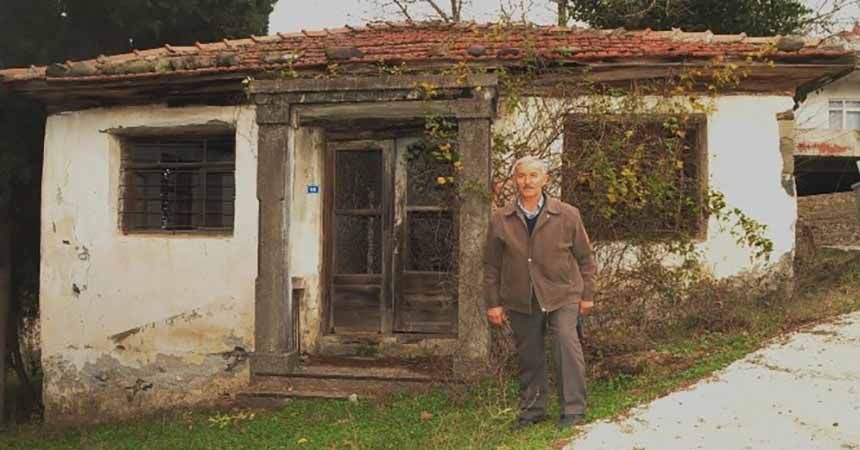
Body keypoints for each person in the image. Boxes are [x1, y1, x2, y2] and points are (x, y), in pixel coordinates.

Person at [483, 155, 597, 431]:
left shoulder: (567, 214)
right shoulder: (501, 219)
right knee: (530, 354)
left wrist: (588, 294)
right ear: (514, 180)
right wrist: (493, 303)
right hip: (521, 297)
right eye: (521, 176)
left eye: (533, 175)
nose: (527, 181)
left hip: (563, 293)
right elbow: (491, 265)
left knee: (566, 344)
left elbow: (585, 257)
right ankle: (533, 411)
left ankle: (573, 409)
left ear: (545, 179)